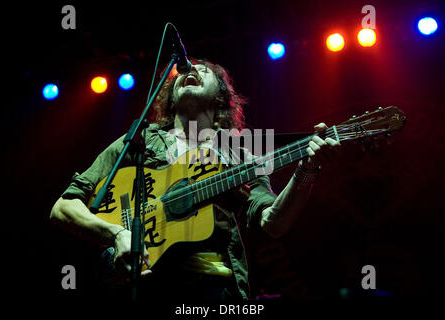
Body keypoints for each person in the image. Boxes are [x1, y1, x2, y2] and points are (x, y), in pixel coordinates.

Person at [50, 58, 340, 302]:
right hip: (141, 287)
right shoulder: (136, 142)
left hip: (214, 291)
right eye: (183, 71)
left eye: (204, 70)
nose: (190, 70)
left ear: (221, 96)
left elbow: (273, 223)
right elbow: (63, 207)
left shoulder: (235, 152)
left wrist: (307, 169)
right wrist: (116, 234)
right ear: (170, 95)